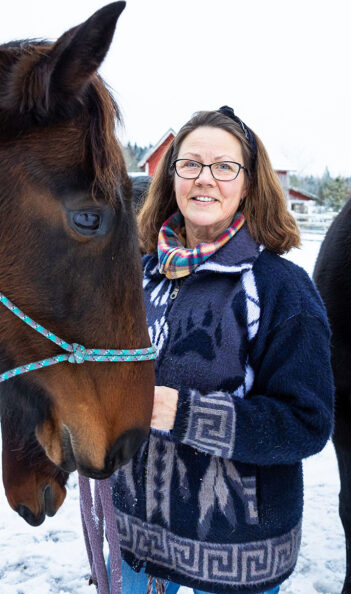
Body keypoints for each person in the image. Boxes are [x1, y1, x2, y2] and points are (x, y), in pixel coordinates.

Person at [111, 107, 334, 594]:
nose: (204, 179)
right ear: (171, 179)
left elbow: (307, 423)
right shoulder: (138, 277)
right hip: (137, 536)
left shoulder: (281, 289)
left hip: (238, 548)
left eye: (224, 167)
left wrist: (181, 411)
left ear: (249, 184)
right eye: (189, 164)